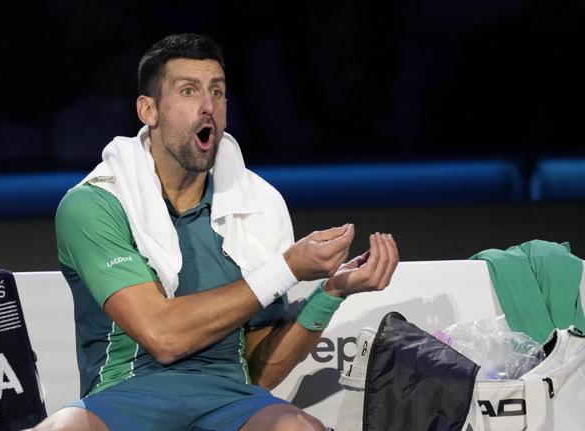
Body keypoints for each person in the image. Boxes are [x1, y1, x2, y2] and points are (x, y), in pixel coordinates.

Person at [34, 33, 399, 431]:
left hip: (229, 398)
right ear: (148, 110)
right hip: (124, 396)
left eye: (218, 92)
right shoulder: (96, 204)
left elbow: (258, 370)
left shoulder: (259, 203)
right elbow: (162, 336)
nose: (208, 106)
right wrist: (288, 267)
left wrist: (331, 292)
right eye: (188, 91)